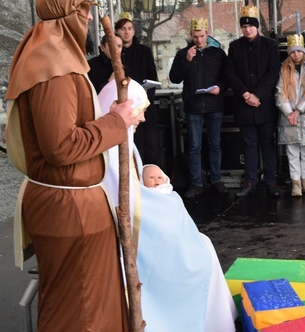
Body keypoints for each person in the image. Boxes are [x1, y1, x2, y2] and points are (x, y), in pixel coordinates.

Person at [5, 0, 135, 331]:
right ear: (66, 13)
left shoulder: (50, 57)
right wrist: (116, 122)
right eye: (82, 9)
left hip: (71, 205)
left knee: (85, 304)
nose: (90, 18)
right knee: (80, 312)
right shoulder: (53, 68)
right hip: (70, 211)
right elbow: (61, 147)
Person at [98, 79, 237, 332]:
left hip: (146, 226)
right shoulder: (109, 149)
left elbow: (135, 183)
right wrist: (165, 199)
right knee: (198, 257)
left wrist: (156, 182)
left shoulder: (123, 141)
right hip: (136, 240)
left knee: (202, 245)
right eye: (138, 112)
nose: (141, 120)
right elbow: (125, 201)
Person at [225, 3, 282, 198]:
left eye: (251, 26)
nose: (247, 29)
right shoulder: (234, 47)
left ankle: (271, 181)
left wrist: (257, 94)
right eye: (244, 26)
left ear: (257, 26)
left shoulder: (270, 45)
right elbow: (230, 73)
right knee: (248, 144)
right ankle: (250, 181)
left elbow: (273, 72)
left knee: (267, 143)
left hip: (264, 104)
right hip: (244, 105)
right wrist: (245, 94)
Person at [168, 17, 228, 198]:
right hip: (193, 106)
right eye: (195, 37)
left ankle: (216, 180)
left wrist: (221, 88)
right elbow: (175, 78)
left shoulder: (218, 53)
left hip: (214, 105)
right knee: (194, 146)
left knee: (215, 144)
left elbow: (227, 77)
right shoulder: (183, 54)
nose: (199, 40)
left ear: (207, 34)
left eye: (202, 36)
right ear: (190, 35)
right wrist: (186, 60)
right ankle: (196, 183)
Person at [275, 34, 305, 197]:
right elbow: (280, 93)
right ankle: (296, 183)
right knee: (292, 151)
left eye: (299, 51)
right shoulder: (283, 68)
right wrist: (289, 112)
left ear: (303, 52)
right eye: (293, 52)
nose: (296, 55)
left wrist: (298, 110)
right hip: (288, 117)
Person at [116, 12, 161, 165]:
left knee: (151, 146)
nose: (126, 32)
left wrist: (146, 102)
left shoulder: (144, 51)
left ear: (134, 31)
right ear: (117, 31)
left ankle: (153, 180)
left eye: (129, 28)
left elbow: (153, 78)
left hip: (145, 106)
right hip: (124, 108)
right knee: (131, 147)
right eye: (123, 29)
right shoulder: (114, 54)